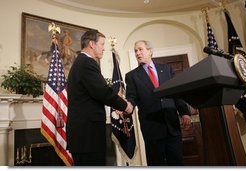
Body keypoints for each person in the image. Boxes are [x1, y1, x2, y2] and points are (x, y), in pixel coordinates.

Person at [66, 29, 133, 166]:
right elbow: (102, 92)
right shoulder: (86, 63)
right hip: (87, 136)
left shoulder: (81, 62)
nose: (104, 48)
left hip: (85, 135)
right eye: (102, 44)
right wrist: (125, 105)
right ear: (91, 44)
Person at [125, 40, 192, 166]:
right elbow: (132, 98)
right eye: (135, 51)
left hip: (172, 126)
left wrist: (184, 113)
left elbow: (176, 92)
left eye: (140, 49)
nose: (137, 53)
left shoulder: (166, 69)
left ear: (150, 51)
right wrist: (127, 106)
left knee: (177, 163)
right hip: (152, 128)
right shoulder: (132, 76)